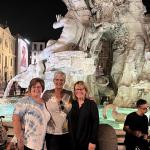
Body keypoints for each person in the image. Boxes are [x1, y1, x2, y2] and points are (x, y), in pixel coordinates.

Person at [12, 78, 50, 150]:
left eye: (39, 87)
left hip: (42, 143)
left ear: (42, 89)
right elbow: (15, 120)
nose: (36, 89)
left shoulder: (44, 102)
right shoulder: (24, 101)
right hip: (29, 143)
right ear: (30, 88)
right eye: (34, 87)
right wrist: (19, 139)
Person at [42, 71, 73, 150]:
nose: (59, 82)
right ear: (53, 80)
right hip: (50, 132)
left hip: (66, 132)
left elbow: (78, 104)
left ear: (64, 81)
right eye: (57, 79)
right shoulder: (47, 93)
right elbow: (40, 108)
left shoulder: (69, 94)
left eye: (61, 80)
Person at [68, 81, 99, 150]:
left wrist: (93, 141)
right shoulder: (72, 104)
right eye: (77, 89)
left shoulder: (91, 104)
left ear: (85, 90)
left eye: (81, 89)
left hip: (87, 142)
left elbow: (95, 123)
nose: (79, 91)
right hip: (73, 141)